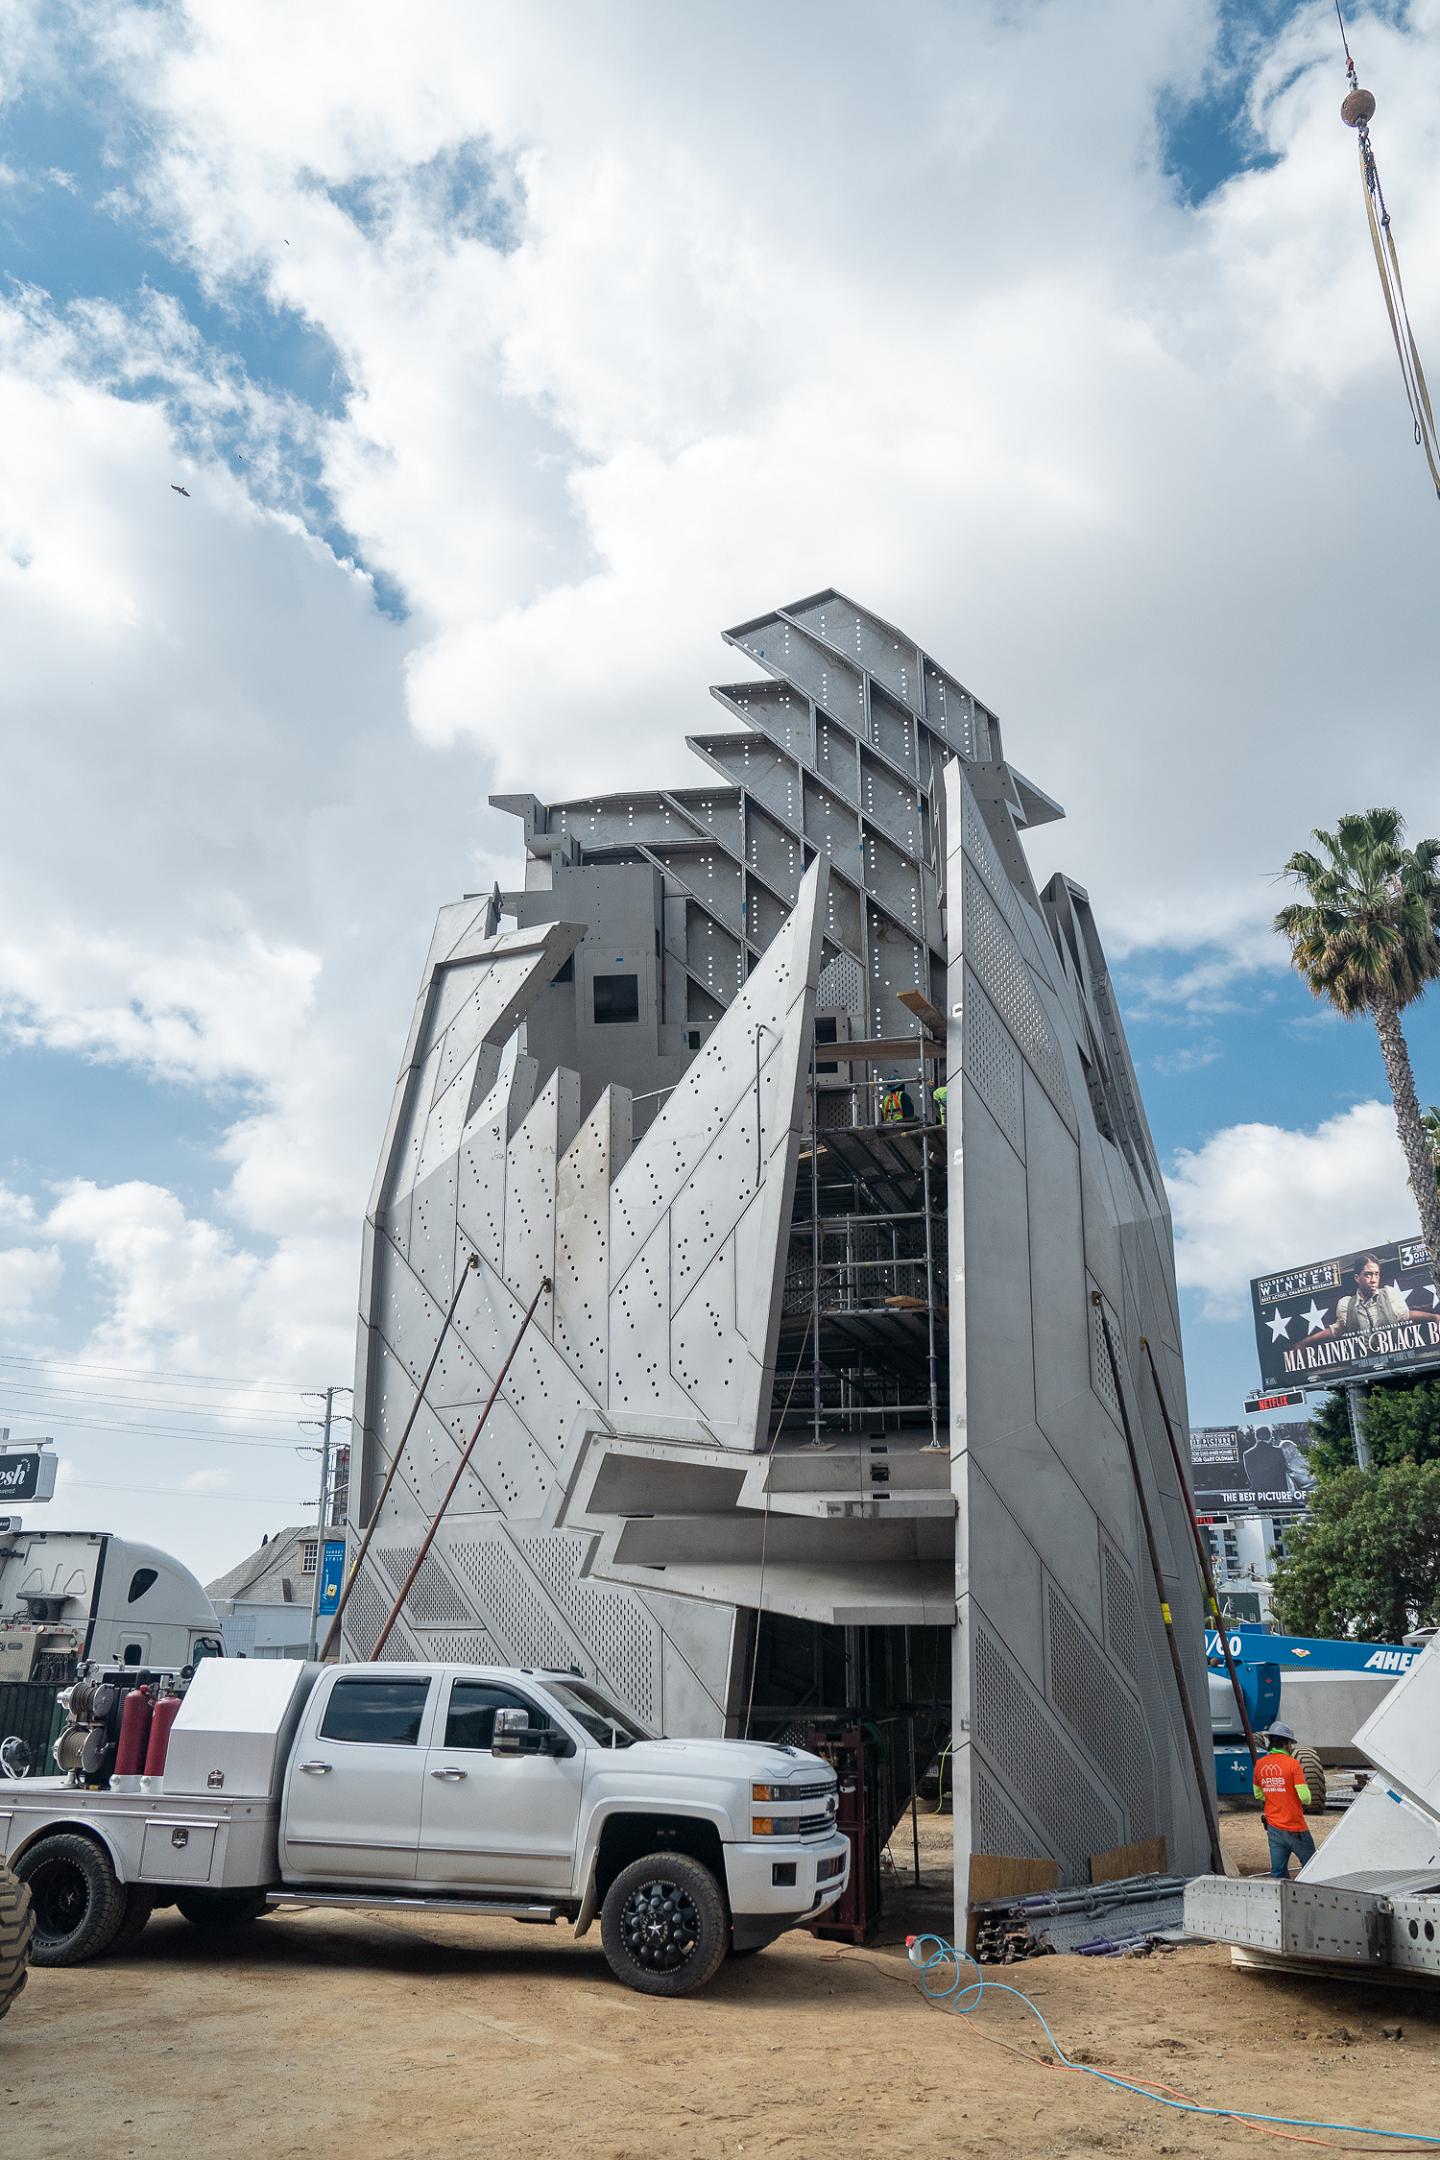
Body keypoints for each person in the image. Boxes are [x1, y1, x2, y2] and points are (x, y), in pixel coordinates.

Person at [1252, 1721, 1316, 1879]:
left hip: (1274, 1828)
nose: (1292, 1747)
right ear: (1286, 1743)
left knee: (1278, 1873)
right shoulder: (1293, 1764)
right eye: (1291, 1744)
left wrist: (1275, 1794)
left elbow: (1258, 1794)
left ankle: (1277, 1902)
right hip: (1295, 1828)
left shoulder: (1260, 1764)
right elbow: (1306, 1798)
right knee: (1313, 1867)